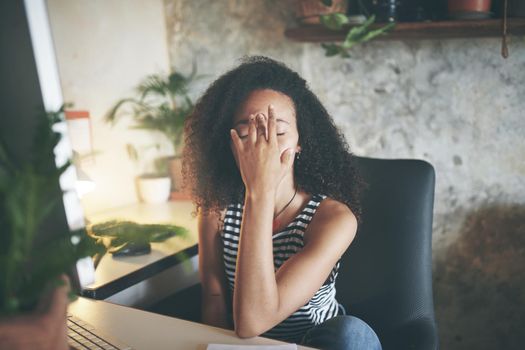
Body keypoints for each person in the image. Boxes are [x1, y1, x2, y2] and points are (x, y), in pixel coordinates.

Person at [182, 56, 381, 350]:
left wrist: (259, 190)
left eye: (279, 133)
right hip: (248, 346)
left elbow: (253, 320)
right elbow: (215, 300)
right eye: (249, 134)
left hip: (316, 342)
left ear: (300, 141)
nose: (265, 148)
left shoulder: (333, 219)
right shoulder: (217, 209)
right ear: (230, 143)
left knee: (352, 333)